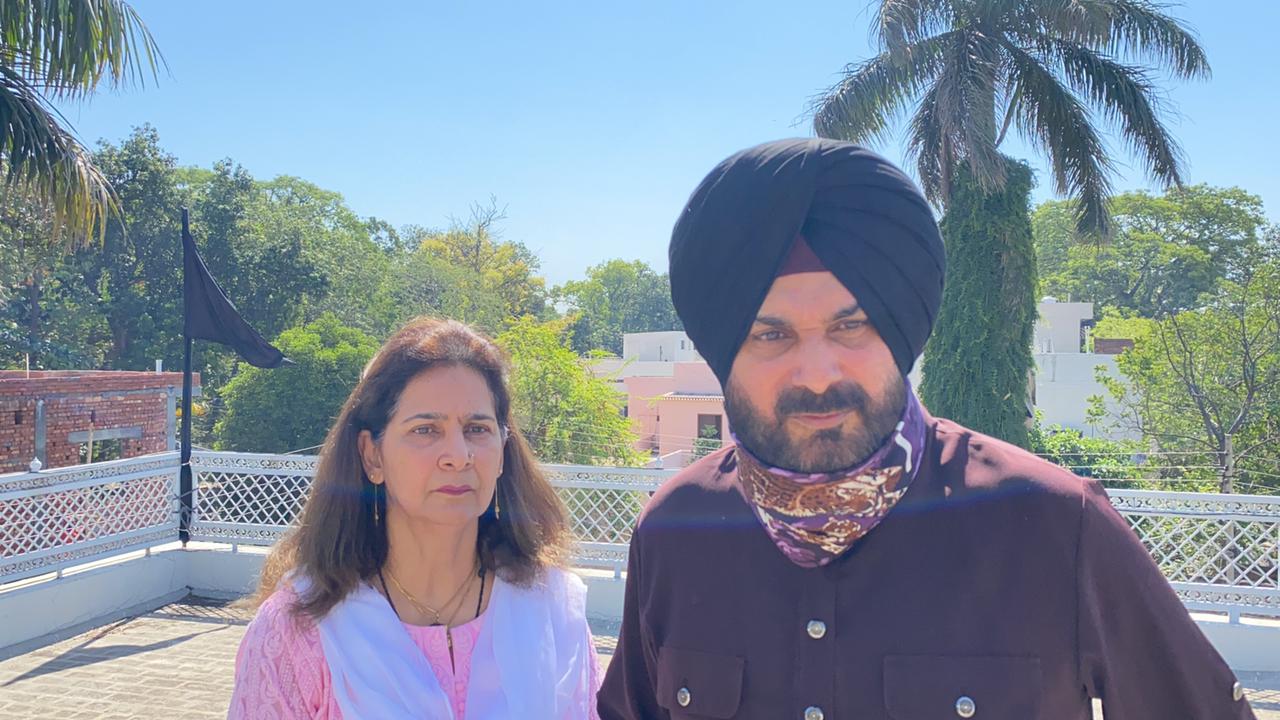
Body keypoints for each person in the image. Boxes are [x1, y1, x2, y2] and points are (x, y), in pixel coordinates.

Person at [597, 139, 1256, 719]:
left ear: (898, 331)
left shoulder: (1055, 525)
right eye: (770, 334)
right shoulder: (675, 532)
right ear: (723, 353)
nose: (817, 372)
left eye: (850, 326)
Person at [229, 317, 601, 719]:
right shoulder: (299, 634)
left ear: (503, 450)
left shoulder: (552, 613)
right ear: (372, 455)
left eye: (477, 428)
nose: (458, 455)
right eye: (426, 430)